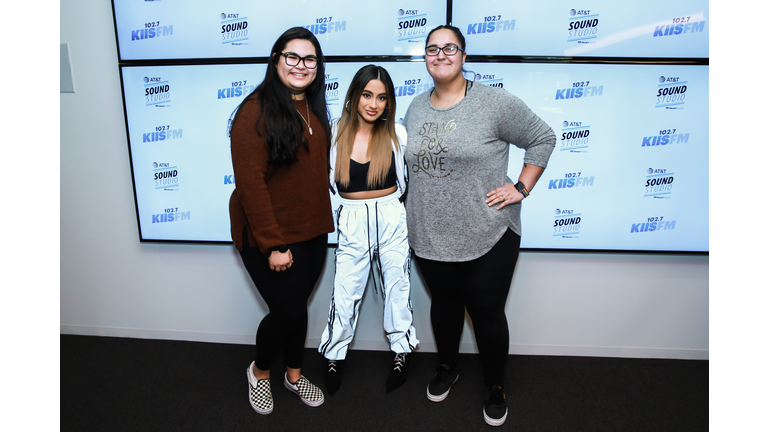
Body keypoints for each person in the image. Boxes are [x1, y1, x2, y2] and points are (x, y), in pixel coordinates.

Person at [402, 25, 556, 427]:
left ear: (464, 56)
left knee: (487, 312)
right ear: (425, 58)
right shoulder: (415, 107)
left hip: (488, 232)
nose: (441, 55)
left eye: (449, 48)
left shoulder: (493, 102)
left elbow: (542, 137)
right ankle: (447, 366)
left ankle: (495, 385)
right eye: (432, 49)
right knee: (445, 306)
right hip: (429, 233)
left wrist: (521, 186)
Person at [228, 27, 333, 415]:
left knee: (298, 308)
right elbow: (251, 185)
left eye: (309, 59)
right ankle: (258, 371)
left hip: (311, 229)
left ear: (317, 67)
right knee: (287, 311)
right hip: (269, 235)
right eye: (292, 56)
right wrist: (273, 245)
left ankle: (293, 375)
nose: (301, 65)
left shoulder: (314, 106)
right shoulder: (255, 110)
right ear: (276, 60)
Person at [318, 65, 419, 395]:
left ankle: (401, 352)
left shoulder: (397, 135)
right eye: (367, 95)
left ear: (389, 102)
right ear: (354, 96)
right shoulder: (334, 132)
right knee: (345, 291)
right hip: (351, 218)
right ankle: (334, 356)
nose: (373, 104)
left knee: (397, 288)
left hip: (391, 216)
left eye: (381, 97)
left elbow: (409, 183)